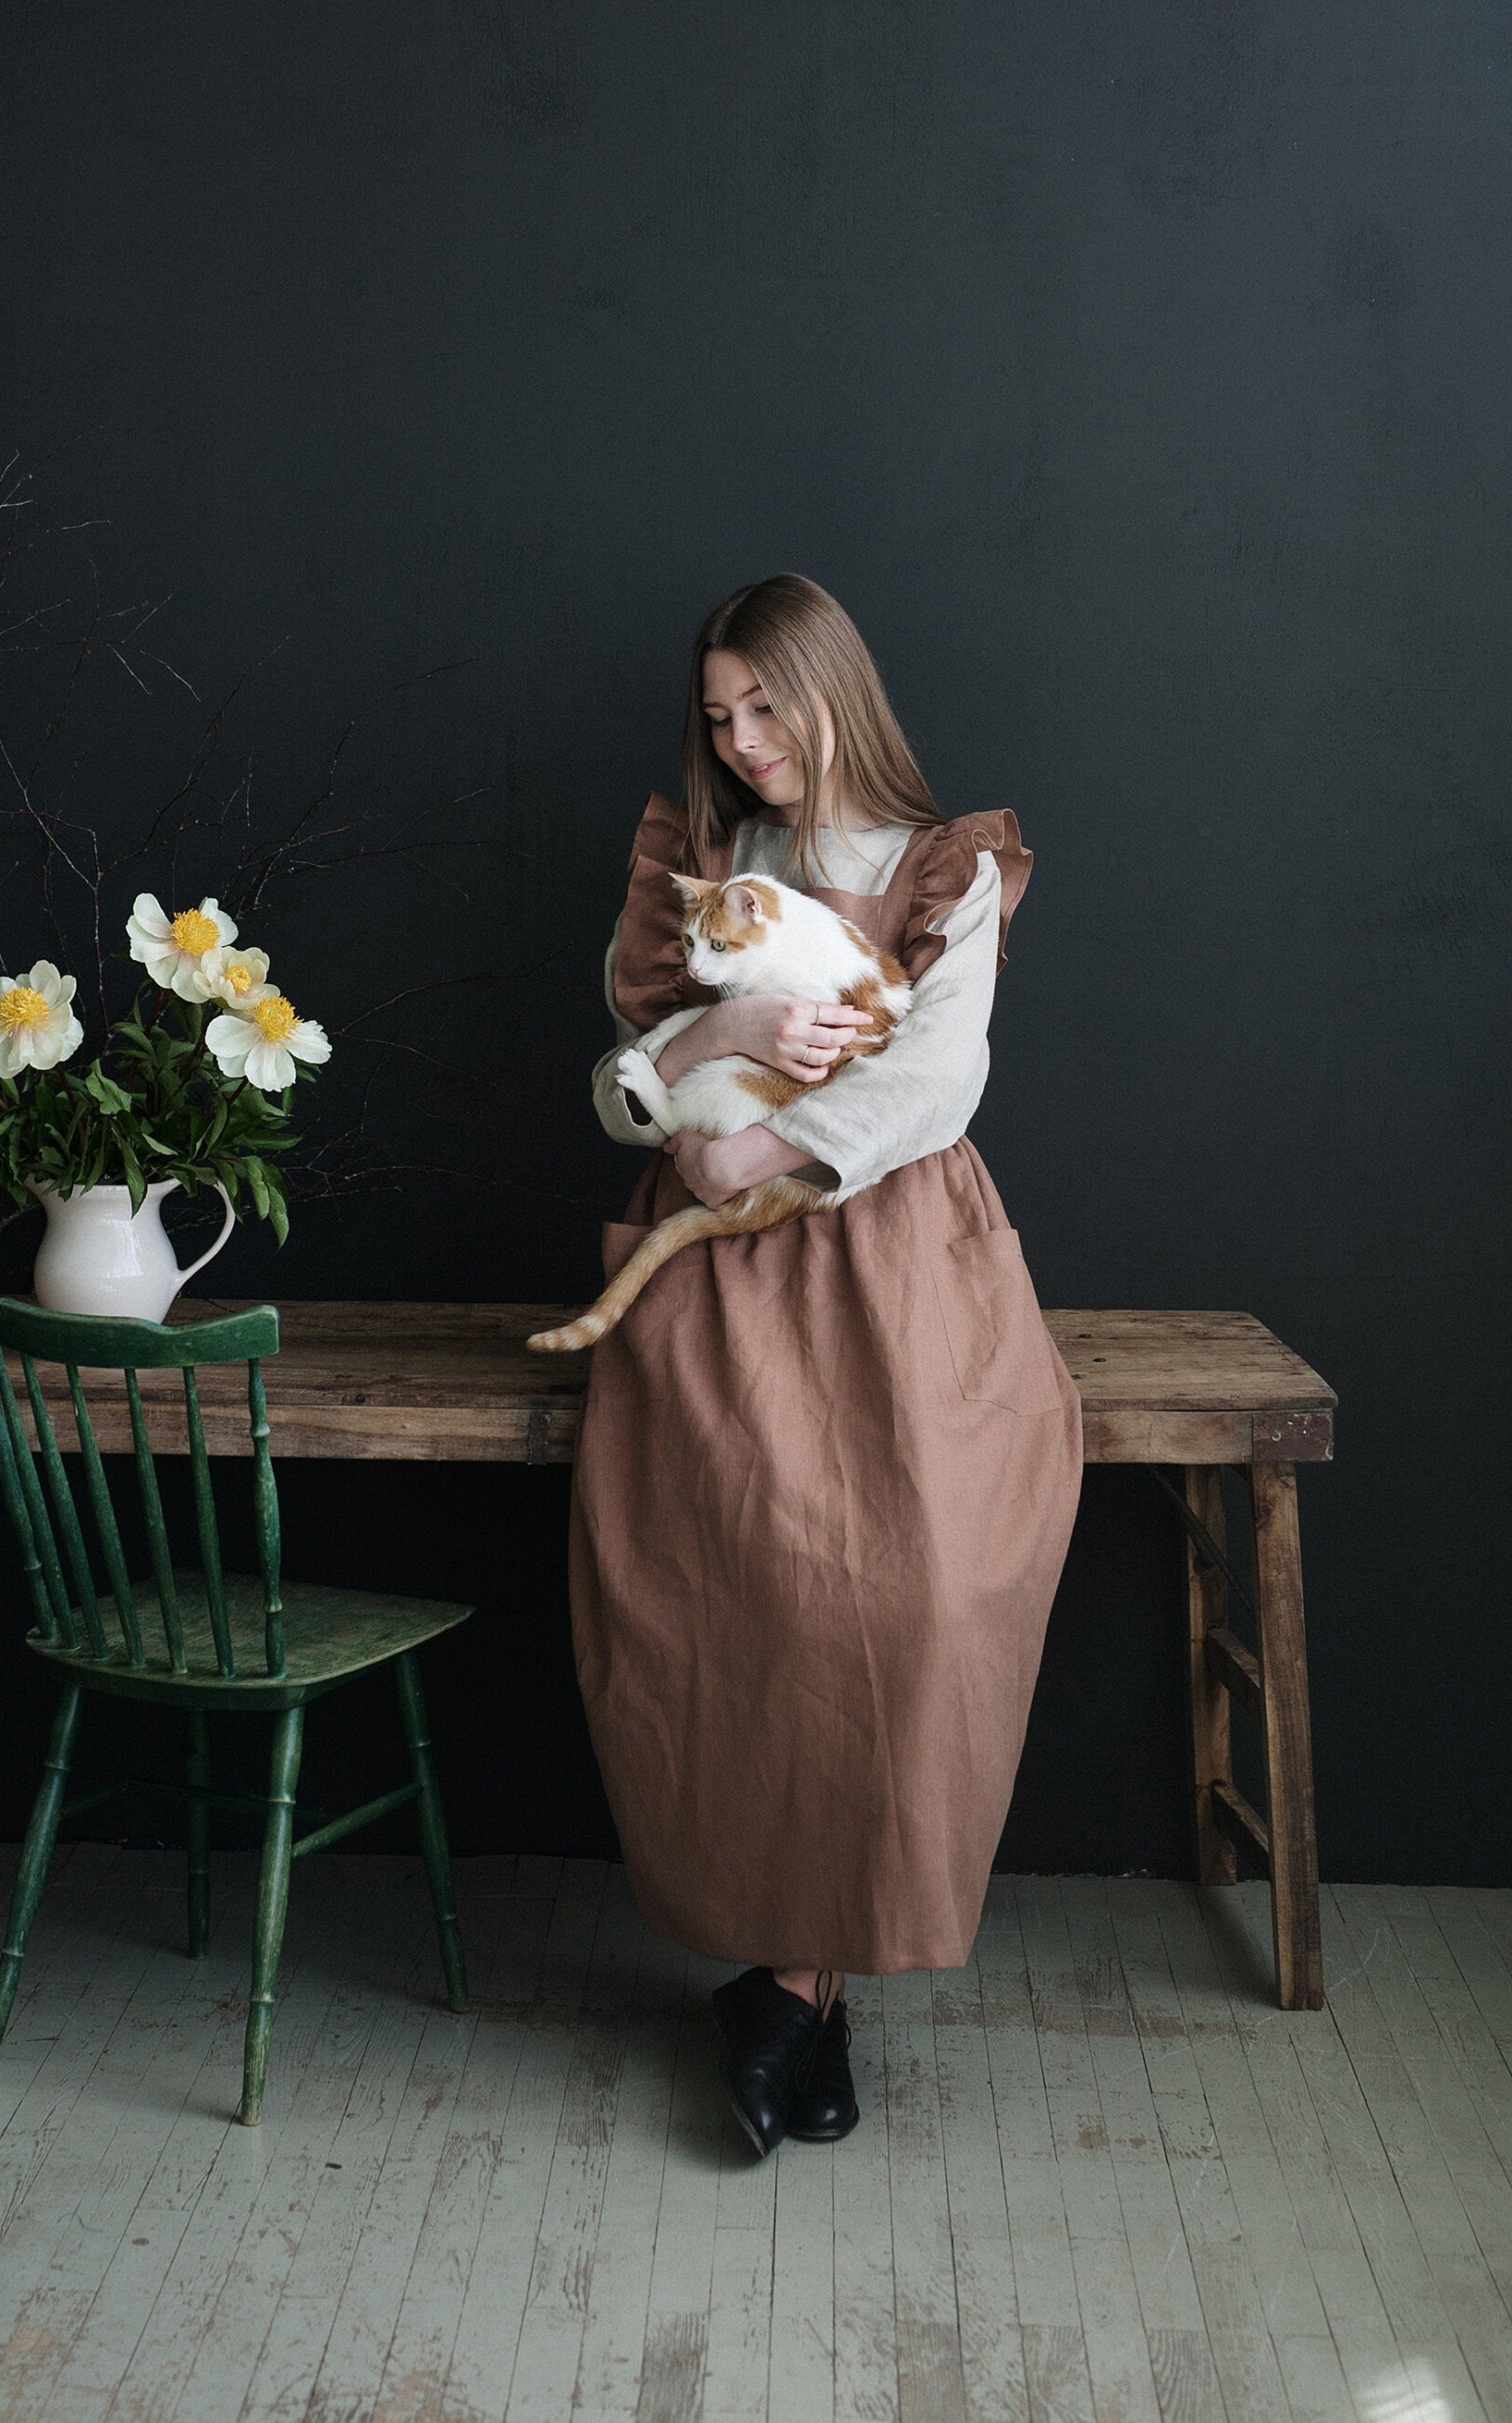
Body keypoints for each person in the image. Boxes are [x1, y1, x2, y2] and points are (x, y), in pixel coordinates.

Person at [569, 573, 1082, 2154]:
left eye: (765, 706)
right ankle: (804, 1998)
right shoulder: (705, 864)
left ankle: (792, 1989)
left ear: (830, 689)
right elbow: (615, 1085)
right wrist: (714, 1059)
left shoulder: (948, 871)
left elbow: (942, 1075)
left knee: (915, 1592)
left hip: (894, 1254)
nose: (743, 742)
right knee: (762, 1585)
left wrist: (763, 1155)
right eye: (720, 717)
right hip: (720, 1294)